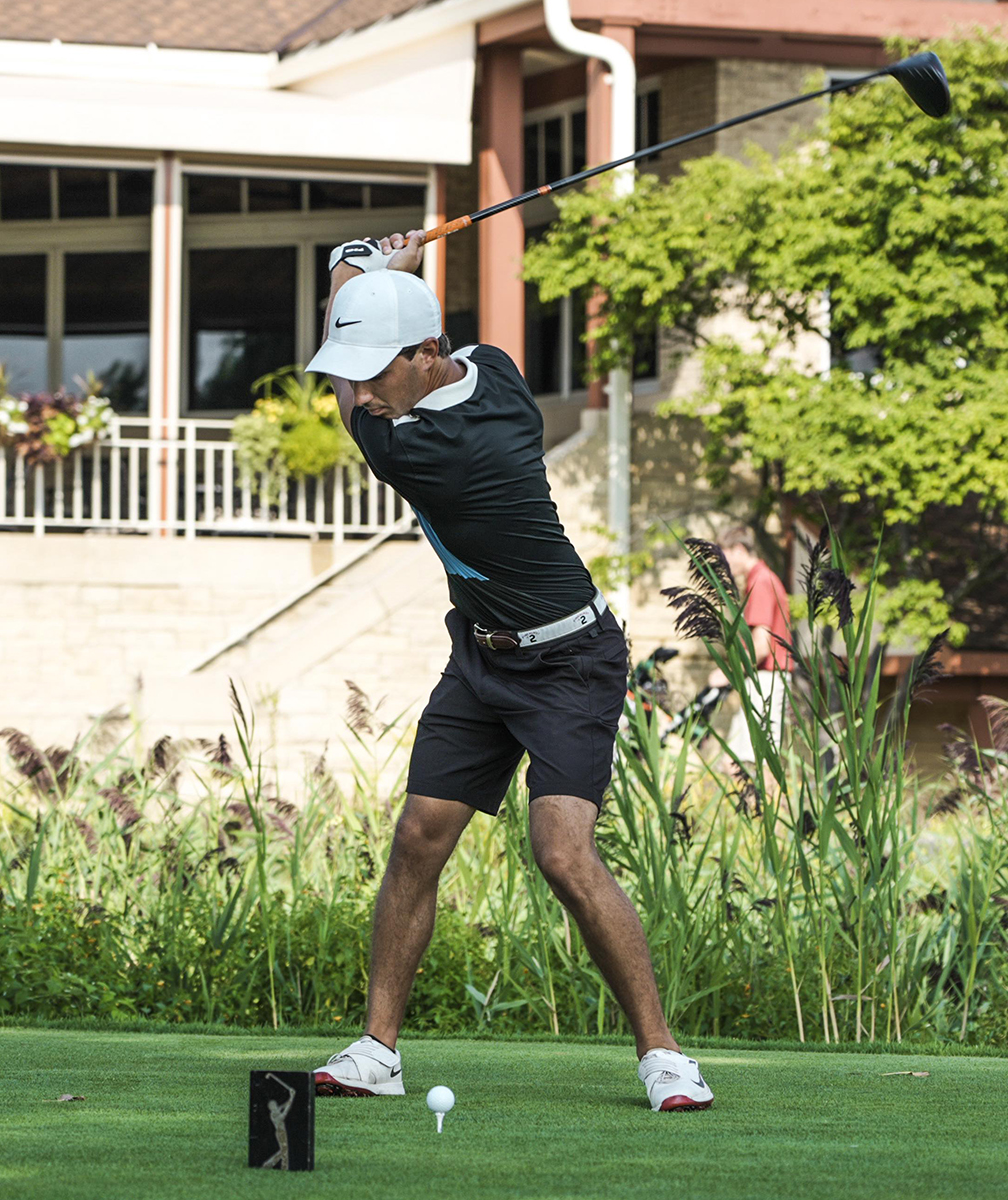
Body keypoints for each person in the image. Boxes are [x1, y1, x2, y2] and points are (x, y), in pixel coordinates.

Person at [302, 230, 714, 1113]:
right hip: (482, 654)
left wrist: (360, 265)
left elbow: (346, 394)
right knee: (419, 836)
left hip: (570, 660)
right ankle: (377, 1051)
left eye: (376, 372)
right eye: (357, 373)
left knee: (562, 854)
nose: (364, 392)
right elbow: (373, 348)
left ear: (426, 354)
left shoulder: (423, 452)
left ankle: (665, 1056)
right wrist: (384, 282)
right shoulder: (496, 370)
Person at [718, 525, 793, 759]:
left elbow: (761, 645)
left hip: (766, 681)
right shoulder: (762, 578)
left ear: (739, 549)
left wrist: (727, 673)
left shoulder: (760, 581)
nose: (723, 566)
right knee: (737, 762)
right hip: (764, 680)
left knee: (754, 761)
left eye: (725, 557)